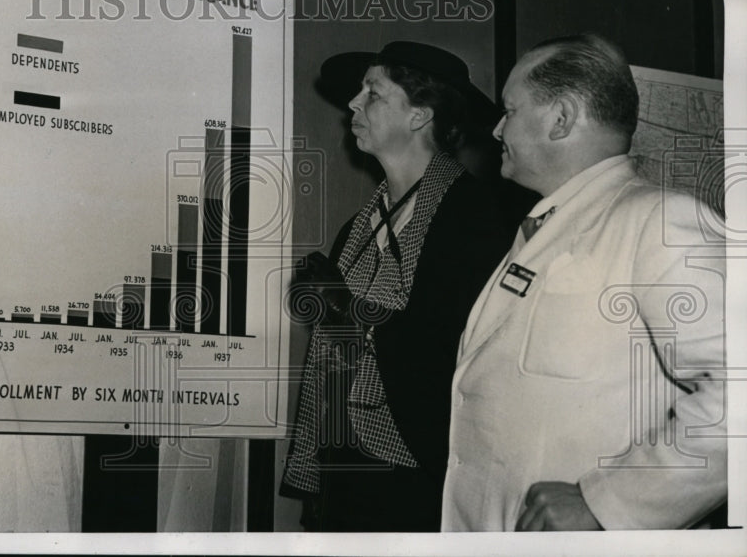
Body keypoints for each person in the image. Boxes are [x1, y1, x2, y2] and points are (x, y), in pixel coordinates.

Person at [442, 34, 727, 531]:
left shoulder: (660, 220)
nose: (495, 130)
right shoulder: (542, 226)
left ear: (562, 118)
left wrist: (607, 505)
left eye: (510, 110)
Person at [280, 41, 513, 531]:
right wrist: (319, 472)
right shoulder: (360, 225)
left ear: (419, 115)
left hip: (413, 478)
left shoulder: (473, 217)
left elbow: (460, 353)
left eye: (374, 93)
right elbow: (332, 358)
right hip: (346, 472)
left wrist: (346, 308)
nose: (353, 103)